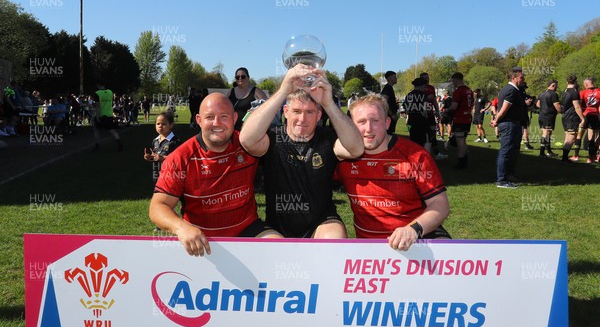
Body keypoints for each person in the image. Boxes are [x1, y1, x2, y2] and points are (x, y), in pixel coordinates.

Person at [149, 93, 281, 257]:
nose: (217, 123)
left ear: (234, 117)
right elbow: (157, 207)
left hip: (248, 229)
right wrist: (181, 228)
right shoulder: (180, 158)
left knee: (279, 248)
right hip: (201, 239)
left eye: (223, 116)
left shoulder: (248, 145)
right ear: (198, 120)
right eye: (209, 117)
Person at [240, 64, 364, 238]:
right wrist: (283, 91)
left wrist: (328, 103)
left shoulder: (327, 138)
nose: (302, 119)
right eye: (296, 111)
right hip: (278, 226)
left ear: (319, 115)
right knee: (273, 248)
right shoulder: (273, 139)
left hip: (321, 222)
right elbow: (246, 139)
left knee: (334, 240)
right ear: (286, 111)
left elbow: (356, 149)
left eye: (310, 112)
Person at [336, 94, 450, 251]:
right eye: (361, 122)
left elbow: (440, 204)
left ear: (387, 123)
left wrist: (413, 229)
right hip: (370, 246)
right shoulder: (342, 158)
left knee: (446, 252)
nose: (368, 129)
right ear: (351, 125)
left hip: (415, 238)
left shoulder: (415, 155)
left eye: (375, 121)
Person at [491, 68, 526, 189]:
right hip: (509, 124)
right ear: (514, 78)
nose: (523, 79)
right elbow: (504, 109)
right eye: (521, 77)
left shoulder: (513, 90)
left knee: (512, 151)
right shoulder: (510, 90)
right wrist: (496, 120)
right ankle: (501, 180)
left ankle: (509, 175)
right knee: (506, 151)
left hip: (513, 124)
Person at [443, 72, 473, 169]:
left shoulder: (458, 91)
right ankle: (465, 159)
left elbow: (454, 106)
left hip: (460, 118)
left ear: (456, 79)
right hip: (467, 117)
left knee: (459, 141)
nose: (453, 83)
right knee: (463, 140)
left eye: (453, 81)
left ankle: (461, 162)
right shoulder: (469, 90)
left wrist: (447, 110)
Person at [144, 112, 181, 181]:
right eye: (158, 124)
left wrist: (163, 158)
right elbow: (156, 157)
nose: (160, 126)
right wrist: (150, 157)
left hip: (171, 176)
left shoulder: (175, 141)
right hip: (158, 175)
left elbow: (179, 160)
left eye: (163, 124)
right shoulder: (155, 141)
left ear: (171, 125)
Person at [560, 75, 585, 163]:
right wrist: (582, 118)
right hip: (571, 117)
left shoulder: (565, 91)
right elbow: (577, 107)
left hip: (565, 116)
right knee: (571, 138)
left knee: (567, 138)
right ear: (575, 82)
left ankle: (564, 158)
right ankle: (564, 159)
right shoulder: (574, 92)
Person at [536, 79, 561, 157]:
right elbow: (557, 105)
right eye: (556, 85)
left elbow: (537, 104)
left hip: (542, 115)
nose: (557, 87)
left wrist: (544, 108)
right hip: (548, 116)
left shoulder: (542, 94)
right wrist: (559, 111)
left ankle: (549, 151)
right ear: (553, 85)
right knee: (546, 133)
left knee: (548, 133)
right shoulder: (553, 94)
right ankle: (541, 153)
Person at [93, 86, 123, 151]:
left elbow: (97, 107)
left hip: (101, 115)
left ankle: (97, 145)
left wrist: (97, 117)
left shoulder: (97, 93)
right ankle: (119, 143)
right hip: (109, 114)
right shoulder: (110, 92)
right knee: (112, 130)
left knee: (97, 130)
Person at [579, 77, 600, 163]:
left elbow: (579, 105)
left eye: (584, 84)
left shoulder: (583, 92)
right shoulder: (599, 91)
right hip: (595, 115)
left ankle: (590, 157)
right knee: (596, 136)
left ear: (586, 84)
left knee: (589, 137)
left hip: (586, 115)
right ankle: (594, 156)